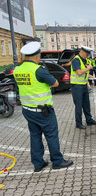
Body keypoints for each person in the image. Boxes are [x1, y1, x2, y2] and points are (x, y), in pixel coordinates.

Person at [13, 42, 73, 172]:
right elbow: (56, 83)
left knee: (35, 136)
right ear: (36, 55)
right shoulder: (38, 70)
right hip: (43, 111)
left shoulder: (17, 69)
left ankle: (38, 163)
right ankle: (57, 161)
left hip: (27, 110)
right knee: (51, 135)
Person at [70, 45, 96, 130]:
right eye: (87, 54)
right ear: (82, 51)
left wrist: (91, 76)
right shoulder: (76, 60)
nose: (88, 56)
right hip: (76, 87)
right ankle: (78, 123)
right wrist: (89, 68)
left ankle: (89, 120)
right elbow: (79, 72)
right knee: (79, 105)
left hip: (83, 86)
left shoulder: (85, 60)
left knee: (86, 104)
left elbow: (84, 73)